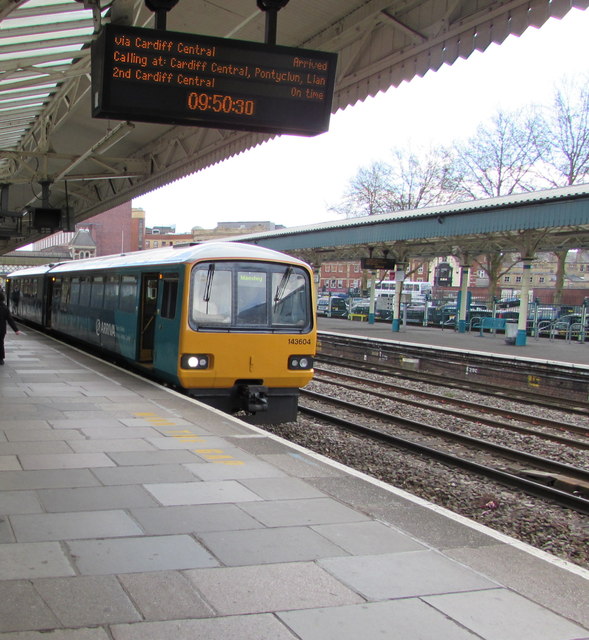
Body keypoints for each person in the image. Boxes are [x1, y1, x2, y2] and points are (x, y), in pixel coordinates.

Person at [0, 290, 21, 365]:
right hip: (1, 329)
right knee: (1, 343)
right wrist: (16, 330)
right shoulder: (4, 307)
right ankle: (1, 359)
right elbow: (10, 319)